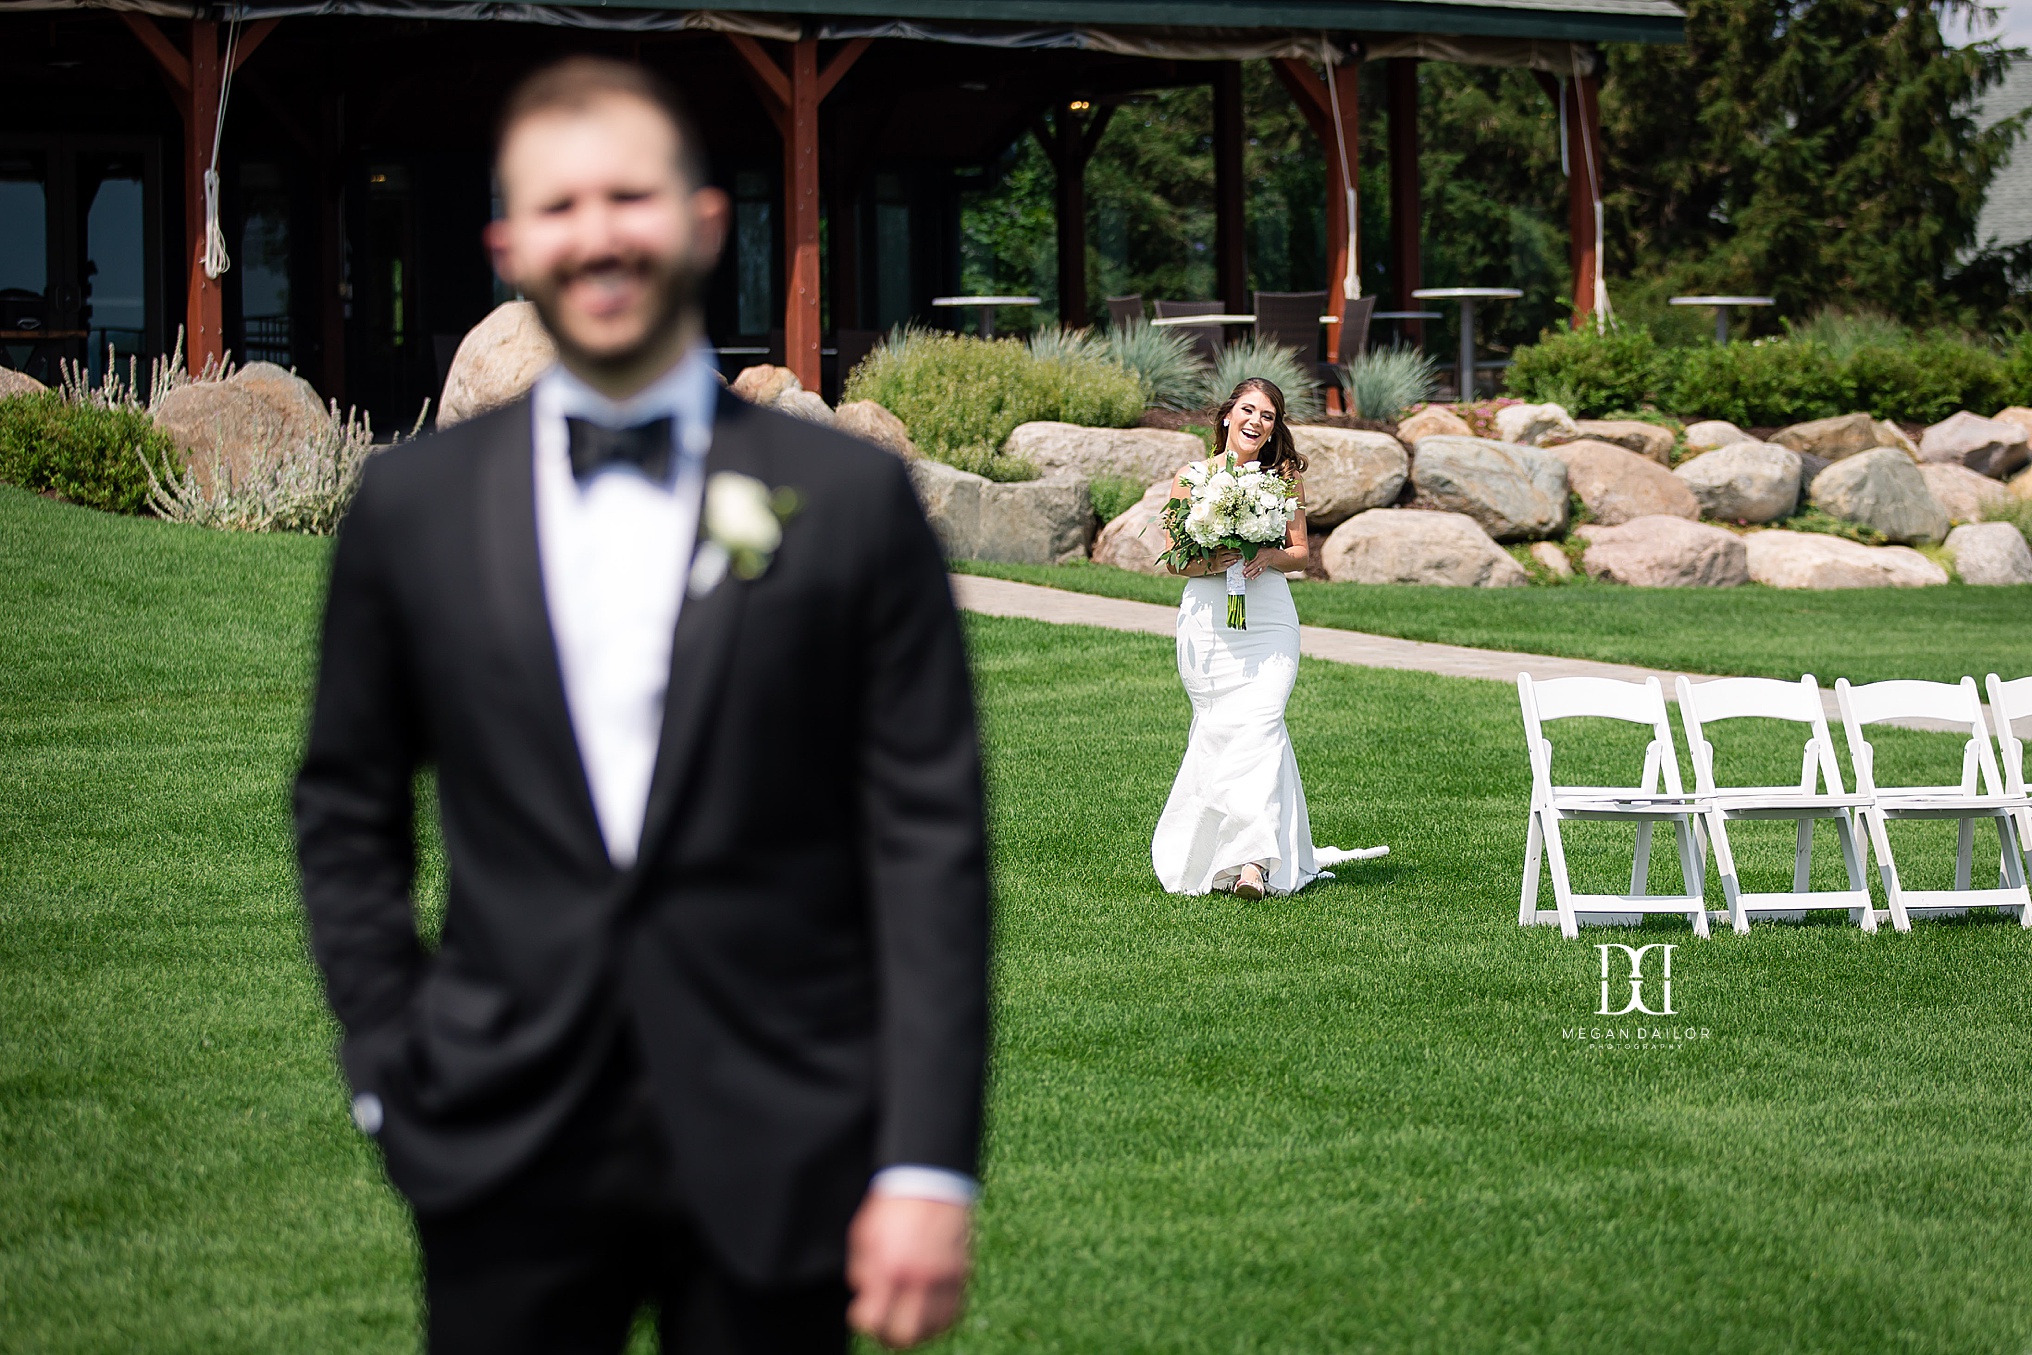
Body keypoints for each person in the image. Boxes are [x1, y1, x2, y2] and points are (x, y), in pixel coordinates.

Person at [293, 57, 988, 1355]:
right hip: (502, 1140)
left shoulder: (848, 503)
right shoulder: (413, 508)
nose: (599, 234)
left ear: (705, 221)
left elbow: (930, 842)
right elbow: (345, 802)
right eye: (560, 206)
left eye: (633, 196)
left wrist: (928, 1163)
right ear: (508, 241)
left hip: (787, 1133)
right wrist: (390, 1067)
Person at [1150, 378, 1375, 899]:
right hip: (1210, 625)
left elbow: (1300, 552)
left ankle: (1252, 864)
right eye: (1248, 411)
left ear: (1275, 427)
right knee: (1227, 732)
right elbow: (1173, 559)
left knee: (1261, 720)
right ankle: (1225, 855)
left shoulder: (1283, 480)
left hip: (1270, 620)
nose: (1256, 422)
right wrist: (1215, 558)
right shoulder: (1191, 478)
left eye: (1268, 416)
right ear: (1227, 416)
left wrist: (1268, 555)